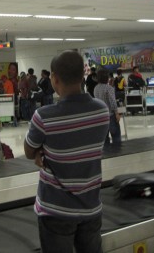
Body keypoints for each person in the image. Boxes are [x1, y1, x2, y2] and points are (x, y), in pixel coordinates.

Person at [24, 51, 109, 253]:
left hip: (55, 211)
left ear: (54, 78)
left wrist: (41, 152)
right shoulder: (101, 111)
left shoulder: (44, 117)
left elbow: (29, 151)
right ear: (83, 76)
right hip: (91, 207)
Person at [94, 68, 121, 145]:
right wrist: (116, 113)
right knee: (116, 136)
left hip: (100, 116)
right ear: (106, 77)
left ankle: (107, 154)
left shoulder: (96, 88)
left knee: (105, 138)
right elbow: (112, 102)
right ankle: (117, 153)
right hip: (110, 115)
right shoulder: (109, 88)